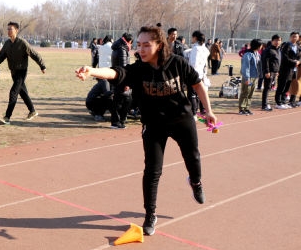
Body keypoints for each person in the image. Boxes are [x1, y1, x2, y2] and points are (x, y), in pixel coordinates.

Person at [75, 25, 218, 236]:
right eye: (139, 45)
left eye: (146, 45)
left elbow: (197, 85)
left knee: (193, 157)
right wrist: (92, 70)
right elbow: (116, 72)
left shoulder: (177, 63)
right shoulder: (138, 69)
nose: (141, 50)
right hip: (154, 124)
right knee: (152, 171)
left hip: (181, 120)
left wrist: (209, 111)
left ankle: (195, 182)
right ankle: (150, 215)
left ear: (159, 45)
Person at [0, 21, 46, 124]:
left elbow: (33, 53)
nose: (9, 31)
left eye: (11, 29)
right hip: (13, 72)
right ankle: (32, 111)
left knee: (13, 92)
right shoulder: (7, 43)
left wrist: (42, 66)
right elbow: (0, 56)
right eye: (8, 29)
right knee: (22, 92)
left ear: (16, 30)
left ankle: (7, 117)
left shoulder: (22, 42)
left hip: (22, 71)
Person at [109, 32, 134, 128]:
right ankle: (118, 122)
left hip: (117, 76)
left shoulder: (118, 47)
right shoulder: (122, 49)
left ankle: (118, 121)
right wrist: (126, 82)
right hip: (121, 78)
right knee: (124, 100)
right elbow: (123, 67)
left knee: (119, 99)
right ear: (129, 41)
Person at [186, 30, 210, 115]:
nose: (191, 39)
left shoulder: (196, 49)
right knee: (199, 93)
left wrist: (190, 74)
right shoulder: (205, 49)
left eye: (192, 37)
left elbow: (193, 63)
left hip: (194, 74)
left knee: (192, 94)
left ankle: (193, 112)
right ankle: (199, 110)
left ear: (195, 38)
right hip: (202, 74)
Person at [275, 31, 300, 109]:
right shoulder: (286, 46)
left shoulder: (298, 47)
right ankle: (278, 102)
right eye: (293, 36)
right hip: (285, 69)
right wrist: (294, 62)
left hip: (294, 70)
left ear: (298, 38)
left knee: (287, 86)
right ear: (290, 37)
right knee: (282, 85)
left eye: (296, 36)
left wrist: (298, 61)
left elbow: (299, 56)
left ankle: (283, 101)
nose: (295, 38)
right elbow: (285, 57)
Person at [238, 38, 263, 115]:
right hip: (248, 77)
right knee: (245, 92)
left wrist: (260, 75)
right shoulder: (248, 54)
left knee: (250, 93)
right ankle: (242, 108)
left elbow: (259, 66)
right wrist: (247, 78)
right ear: (257, 46)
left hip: (255, 77)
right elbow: (245, 67)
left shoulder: (257, 54)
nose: (261, 46)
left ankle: (247, 107)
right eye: (261, 45)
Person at [261, 35, 281, 111]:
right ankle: (264, 105)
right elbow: (265, 61)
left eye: (279, 40)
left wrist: (277, 71)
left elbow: (277, 62)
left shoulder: (278, 50)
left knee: (270, 88)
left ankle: (266, 103)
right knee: (267, 88)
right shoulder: (268, 50)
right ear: (272, 41)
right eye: (275, 40)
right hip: (269, 72)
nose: (277, 42)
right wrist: (267, 71)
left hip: (275, 72)